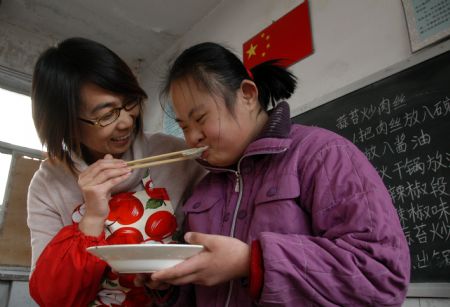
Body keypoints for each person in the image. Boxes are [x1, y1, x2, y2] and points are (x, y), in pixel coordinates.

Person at [138, 42, 411, 306]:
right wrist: (170, 285)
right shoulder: (204, 188)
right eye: (184, 126)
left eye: (200, 119)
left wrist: (251, 262)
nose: (192, 138)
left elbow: (381, 277)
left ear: (247, 94)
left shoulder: (323, 154)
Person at [27, 37, 205, 307]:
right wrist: (93, 216)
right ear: (66, 124)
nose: (125, 122)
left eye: (130, 102)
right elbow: (54, 299)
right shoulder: (48, 184)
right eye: (106, 115)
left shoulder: (176, 155)